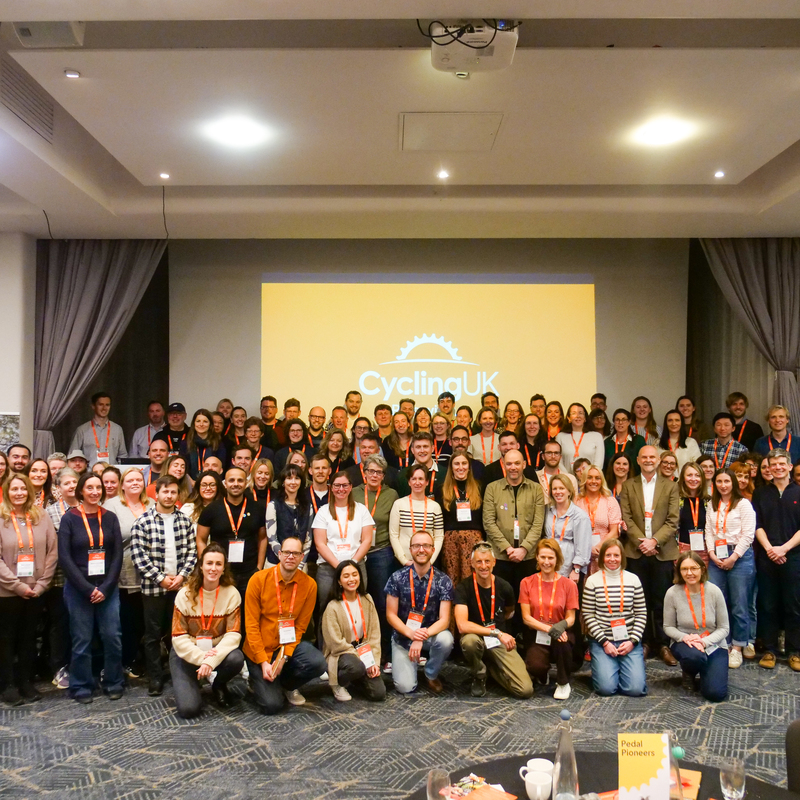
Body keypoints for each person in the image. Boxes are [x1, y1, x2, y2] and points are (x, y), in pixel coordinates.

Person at [58, 472, 124, 703]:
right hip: (79, 589)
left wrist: (106, 587)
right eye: (90, 488)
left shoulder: (110, 517)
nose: (95, 492)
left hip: (107, 587)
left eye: (98, 488)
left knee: (112, 636)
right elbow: (64, 558)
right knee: (81, 639)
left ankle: (114, 681)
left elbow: (117, 555)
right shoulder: (69, 518)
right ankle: (81, 685)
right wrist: (87, 589)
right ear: (81, 491)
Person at [243, 535, 326, 712]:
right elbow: (251, 625)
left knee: (318, 662)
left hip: (285, 646)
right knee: (272, 705)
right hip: (260, 650)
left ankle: (287, 685)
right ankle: (256, 680)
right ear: (279, 554)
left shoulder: (309, 585)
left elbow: (300, 627)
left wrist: (284, 657)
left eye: (296, 553)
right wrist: (264, 662)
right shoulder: (258, 580)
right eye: (287, 552)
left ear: (302, 557)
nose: (291, 557)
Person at [131, 476, 197, 696]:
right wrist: (160, 578)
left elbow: (192, 552)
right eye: (165, 492)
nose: (169, 496)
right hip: (153, 587)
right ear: (156, 494)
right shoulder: (143, 521)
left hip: (179, 587)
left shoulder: (184, 521)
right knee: (152, 634)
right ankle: (155, 677)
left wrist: (181, 577)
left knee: (177, 633)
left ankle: (178, 674)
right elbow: (139, 556)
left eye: (173, 492)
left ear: (178, 495)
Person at [619, 445, 680, 665]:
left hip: (662, 551)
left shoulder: (671, 486)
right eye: (644, 456)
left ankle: (663, 644)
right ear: (638, 459)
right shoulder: (628, 485)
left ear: (658, 460)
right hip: (635, 552)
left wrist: (654, 541)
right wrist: (642, 542)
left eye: (652, 456)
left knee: (662, 601)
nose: (648, 460)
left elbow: (673, 520)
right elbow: (626, 518)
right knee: (638, 601)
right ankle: (643, 642)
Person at [0, 473, 58, 704]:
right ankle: (7, 685)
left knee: (28, 638)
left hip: (36, 589)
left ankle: (25, 681)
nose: (19, 493)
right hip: (7, 591)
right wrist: (16, 586)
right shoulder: (1, 516)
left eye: (23, 489)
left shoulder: (41, 516)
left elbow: (52, 551)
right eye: (14, 489)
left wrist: (43, 583)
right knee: (6, 639)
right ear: (7, 492)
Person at [169, 542, 243, 717]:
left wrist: (211, 660)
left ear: (224, 569)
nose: (213, 568)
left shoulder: (232, 594)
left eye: (218, 564)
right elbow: (178, 637)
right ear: (201, 566)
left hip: (215, 651)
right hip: (185, 653)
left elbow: (233, 635)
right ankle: (196, 681)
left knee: (236, 658)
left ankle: (218, 682)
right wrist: (203, 659)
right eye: (209, 563)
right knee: (189, 710)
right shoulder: (184, 595)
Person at [455, 542, 533, 699]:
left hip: (498, 641)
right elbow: (462, 625)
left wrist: (498, 635)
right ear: (472, 563)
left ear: (494, 562)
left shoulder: (505, 587)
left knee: (525, 690)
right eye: (479, 562)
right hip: (478, 637)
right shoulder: (463, 588)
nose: (483, 566)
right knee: (469, 642)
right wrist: (495, 632)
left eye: (487, 561)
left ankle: (490, 669)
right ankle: (479, 674)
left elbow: (509, 612)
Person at [483, 449, 545, 635]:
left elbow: (538, 523)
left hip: (527, 557)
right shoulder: (492, 488)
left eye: (517, 463)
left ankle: (527, 642)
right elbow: (488, 522)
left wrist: (524, 549)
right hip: (501, 556)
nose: (513, 467)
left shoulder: (536, 488)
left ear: (524, 464)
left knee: (527, 601)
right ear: (503, 464)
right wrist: (508, 548)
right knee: (501, 601)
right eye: (509, 463)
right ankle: (502, 640)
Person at [384, 529, 454, 694]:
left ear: (433, 549)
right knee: (405, 688)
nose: (421, 550)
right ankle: (409, 663)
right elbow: (390, 615)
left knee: (446, 639)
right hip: (403, 636)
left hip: (429, 635)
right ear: (410, 549)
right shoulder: (397, 578)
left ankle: (430, 673)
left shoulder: (443, 580)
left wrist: (421, 636)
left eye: (426, 546)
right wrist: (411, 635)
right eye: (416, 546)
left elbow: (444, 620)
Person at [753, 448, 800, 671]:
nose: (778, 468)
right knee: (768, 604)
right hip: (767, 556)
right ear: (768, 468)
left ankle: (794, 651)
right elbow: (757, 525)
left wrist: (784, 548)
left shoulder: (799, 492)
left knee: (793, 605)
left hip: (793, 557)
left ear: (790, 466)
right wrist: (771, 549)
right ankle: (770, 650)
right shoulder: (761, 493)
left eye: (782, 464)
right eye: (774, 464)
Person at [704, 468, 756, 668]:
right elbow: (708, 531)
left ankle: (737, 647)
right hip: (717, 557)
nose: (723, 485)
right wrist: (711, 554)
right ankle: (721, 643)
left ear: (733, 482)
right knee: (717, 602)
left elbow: (748, 535)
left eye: (727, 481)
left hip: (739, 557)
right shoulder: (712, 504)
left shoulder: (743, 504)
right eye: (719, 481)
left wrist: (734, 557)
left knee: (739, 604)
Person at [582, 538, 647, 697]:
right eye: (608, 555)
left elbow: (641, 613)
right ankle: (607, 668)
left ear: (622, 557)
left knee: (635, 689)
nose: (612, 559)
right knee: (606, 689)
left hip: (628, 640)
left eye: (616, 555)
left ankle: (619, 667)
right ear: (602, 557)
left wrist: (632, 642)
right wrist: (604, 642)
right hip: (602, 641)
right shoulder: (592, 581)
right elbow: (588, 615)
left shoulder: (633, 579)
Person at [352, 453, 399, 672]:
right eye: (371, 470)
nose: (374, 475)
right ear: (364, 472)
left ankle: (385, 654)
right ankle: (357, 652)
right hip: (357, 554)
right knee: (358, 603)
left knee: (381, 604)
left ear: (383, 475)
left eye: (379, 472)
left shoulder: (391, 494)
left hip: (381, 553)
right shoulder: (354, 493)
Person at [197, 466, 267, 610]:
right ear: (225, 484)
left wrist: (259, 567)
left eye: (240, 480)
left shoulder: (257, 508)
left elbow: (262, 538)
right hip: (221, 572)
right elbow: (201, 539)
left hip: (249, 571)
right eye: (232, 480)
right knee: (222, 611)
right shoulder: (211, 509)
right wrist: (207, 566)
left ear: (247, 483)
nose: (236, 484)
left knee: (248, 612)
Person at [104, 467, 150, 679]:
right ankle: (123, 661)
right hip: (123, 571)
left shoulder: (152, 504)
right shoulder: (111, 506)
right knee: (125, 619)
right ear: (122, 484)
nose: (134, 483)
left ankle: (136, 658)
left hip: (149, 572)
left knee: (143, 619)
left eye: (138, 479)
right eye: (129, 480)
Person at [664, 551, 729, 702]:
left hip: (714, 644)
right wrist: (686, 638)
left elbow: (724, 628)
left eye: (694, 568)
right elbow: (668, 627)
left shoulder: (714, 591)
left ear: (702, 569)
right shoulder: (672, 593)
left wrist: (704, 642)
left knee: (715, 694)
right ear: (679, 571)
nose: (689, 573)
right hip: (685, 643)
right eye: (684, 569)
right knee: (695, 656)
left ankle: (707, 670)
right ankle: (689, 671)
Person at [519, 539, 579, 699]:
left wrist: (560, 627)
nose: (547, 562)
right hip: (538, 633)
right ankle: (541, 673)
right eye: (543, 557)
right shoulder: (526, 582)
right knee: (535, 666)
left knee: (563, 642)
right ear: (537, 558)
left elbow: (571, 618)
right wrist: (549, 629)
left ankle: (563, 683)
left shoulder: (569, 585)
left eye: (551, 558)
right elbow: (526, 618)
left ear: (557, 559)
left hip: (561, 632)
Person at [321, 560, 386, 702]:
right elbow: (335, 644)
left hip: (364, 650)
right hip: (341, 653)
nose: (351, 579)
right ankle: (337, 682)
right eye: (346, 576)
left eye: (355, 574)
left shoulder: (367, 599)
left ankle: (357, 678)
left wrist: (373, 662)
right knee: (356, 666)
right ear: (339, 581)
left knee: (378, 693)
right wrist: (362, 659)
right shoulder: (333, 607)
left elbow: (374, 635)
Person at [312, 472, 374, 609]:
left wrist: (352, 565)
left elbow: (367, 540)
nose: (341, 489)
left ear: (351, 487)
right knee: (326, 609)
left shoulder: (361, 510)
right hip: (328, 569)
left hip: (356, 566)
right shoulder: (323, 512)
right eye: (337, 485)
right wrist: (340, 567)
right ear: (331, 488)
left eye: (345, 485)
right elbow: (320, 544)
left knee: (358, 607)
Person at [45, 467, 80, 689]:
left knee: (81, 625)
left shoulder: (89, 509)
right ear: (58, 488)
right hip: (61, 578)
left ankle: (80, 666)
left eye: (75, 482)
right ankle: (58, 667)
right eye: (67, 483)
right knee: (60, 623)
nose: (72, 487)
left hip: (86, 579)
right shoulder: (50, 513)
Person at [436, 451, 485, 588]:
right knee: (452, 581)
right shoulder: (442, 489)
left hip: (474, 541)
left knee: (474, 580)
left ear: (469, 467)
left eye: (464, 463)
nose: (460, 467)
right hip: (451, 543)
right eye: (456, 464)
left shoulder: (479, 488)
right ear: (451, 467)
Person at [389, 463, 445, 567]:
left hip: (428, 562)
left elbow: (439, 537)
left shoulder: (435, 507)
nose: (417, 482)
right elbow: (393, 535)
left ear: (427, 482)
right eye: (414, 479)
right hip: (404, 563)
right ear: (409, 482)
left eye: (421, 479)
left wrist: (430, 561)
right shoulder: (399, 504)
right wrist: (404, 560)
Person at [543, 474, 592, 583]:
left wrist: (576, 569)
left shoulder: (580, 516)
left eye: (561, 488)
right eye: (555, 488)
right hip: (548, 565)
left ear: (569, 491)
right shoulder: (547, 511)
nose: (558, 492)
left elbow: (583, 545)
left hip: (570, 569)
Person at [576, 466, 622, 574]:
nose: (593, 481)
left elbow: (614, 532)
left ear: (602, 481)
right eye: (590, 477)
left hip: (605, 553)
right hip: (581, 554)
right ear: (584, 480)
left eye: (597, 478)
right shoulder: (576, 501)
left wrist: (598, 547)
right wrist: (588, 549)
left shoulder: (610, 501)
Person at [266, 464, 312, 567]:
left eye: (297, 478)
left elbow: (308, 539)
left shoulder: (308, 506)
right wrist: (285, 559)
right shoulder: (273, 505)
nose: (293, 482)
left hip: (300, 563)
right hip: (275, 562)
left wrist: (300, 563)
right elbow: (272, 538)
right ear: (283, 482)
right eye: (289, 478)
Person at [69, 392, 128, 466]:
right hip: (90, 474)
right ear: (93, 406)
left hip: (111, 474)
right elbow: (73, 456)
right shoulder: (82, 430)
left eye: (107, 405)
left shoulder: (117, 429)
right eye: (101, 405)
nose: (104, 408)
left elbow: (122, 455)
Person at [676, 462, 709, 565]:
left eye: (697, 475)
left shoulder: (709, 501)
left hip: (705, 550)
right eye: (689, 475)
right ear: (683, 478)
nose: (693, 479)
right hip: (681, 550)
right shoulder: (676, 500)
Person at [557, 402, 604, 473]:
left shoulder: (596, 436)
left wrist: (589, 477)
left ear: (585, 418)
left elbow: (598, 464)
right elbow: (558, 462)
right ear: (568, 418)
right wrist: (569, 478)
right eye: (574, 413)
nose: (577, 416)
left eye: (581, 413)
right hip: (567, 480)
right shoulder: (560, 436)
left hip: (590, 480)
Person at [396, 432, 446, 498]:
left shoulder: (445, 474)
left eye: (425, 446)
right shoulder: (403, 475)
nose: (422, 451)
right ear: (412, 450)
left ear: (432, 448)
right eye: (418, 447)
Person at [182, 408, 226, 479]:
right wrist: (192, 483)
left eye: (205, 421)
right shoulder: (185, 443)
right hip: (189, 483)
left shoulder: (218, 443)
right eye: (198, 421)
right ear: (194, 423)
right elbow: (183, 466)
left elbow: (221, 467)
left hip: (212, 482)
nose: (201, 424)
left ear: (210, 424)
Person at [180, 470, 223, 534]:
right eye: (204, 485)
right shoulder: (188, 508)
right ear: (198, 487)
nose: (208, 488)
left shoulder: (225, 507)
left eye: (212, 485)